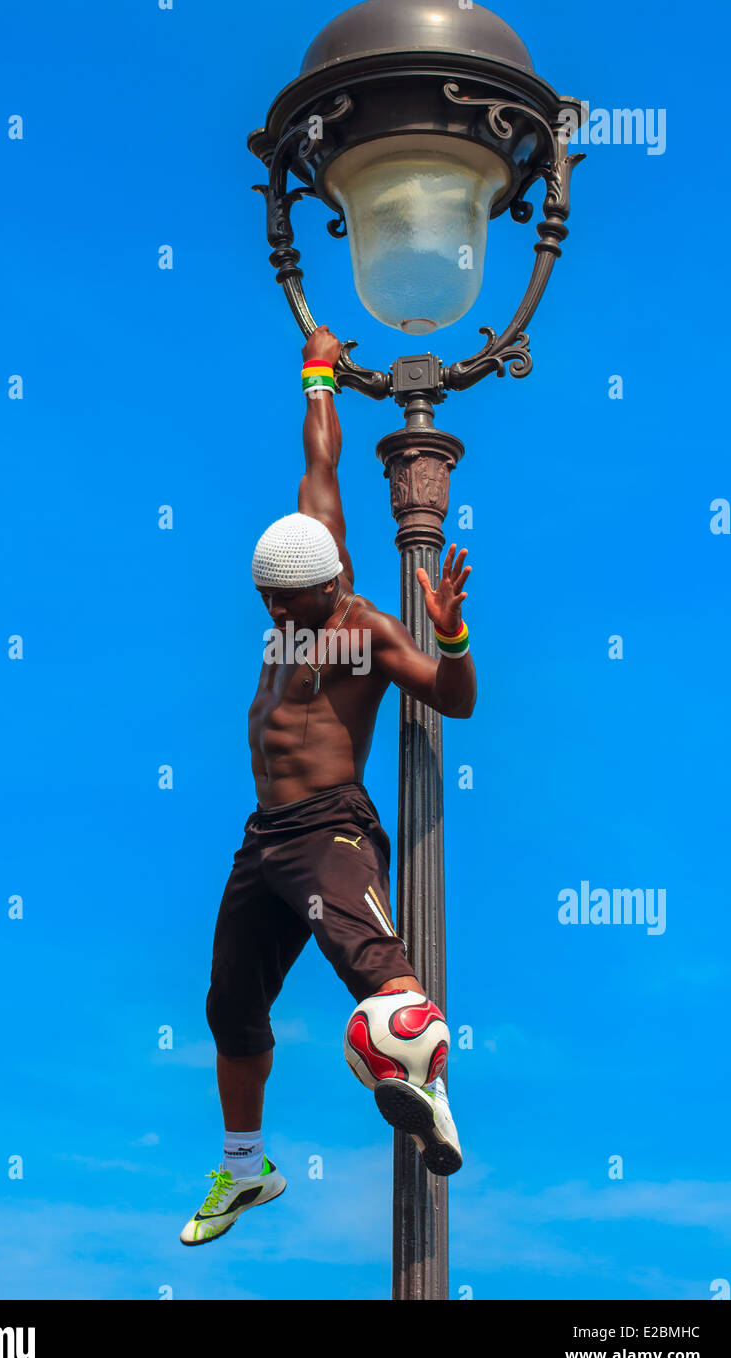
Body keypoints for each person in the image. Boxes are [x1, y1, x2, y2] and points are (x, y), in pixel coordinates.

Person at [180, 326, 476, 1246]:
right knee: (229, 1005)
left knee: (382, 982)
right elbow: (322, 454)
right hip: (261, 838)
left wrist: (452, 634)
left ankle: (426, 1088)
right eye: (265, 602)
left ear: (329, 584)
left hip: (327, 830)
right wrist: (317, 368)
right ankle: (244, 1172)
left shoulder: (371, 631)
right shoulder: (310, 543)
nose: (273, 617)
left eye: (287, 606)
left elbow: (454, 701)